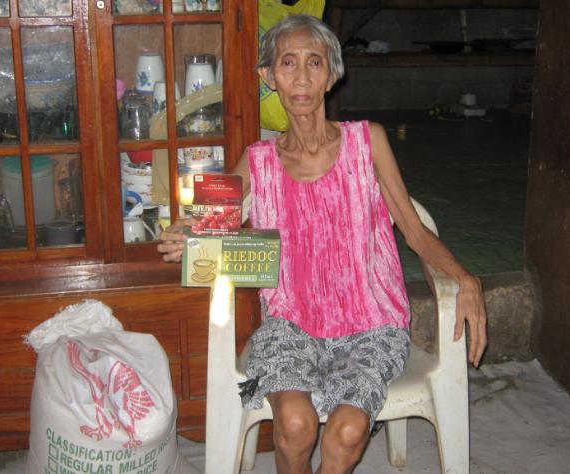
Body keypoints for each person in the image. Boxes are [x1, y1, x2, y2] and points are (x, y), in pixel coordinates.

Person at [158, 14, 487, 474]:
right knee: (295, 423)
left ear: (332, 75)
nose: (301, 77)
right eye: (287, 63)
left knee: (348, 431)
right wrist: (185, 236)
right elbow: (205, 229)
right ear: (268, 76)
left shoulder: (368, 142)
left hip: (371, 324)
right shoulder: (257, 161)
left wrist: (465, 278)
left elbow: (414, 231)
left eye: (314, 62)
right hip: (290, 326)